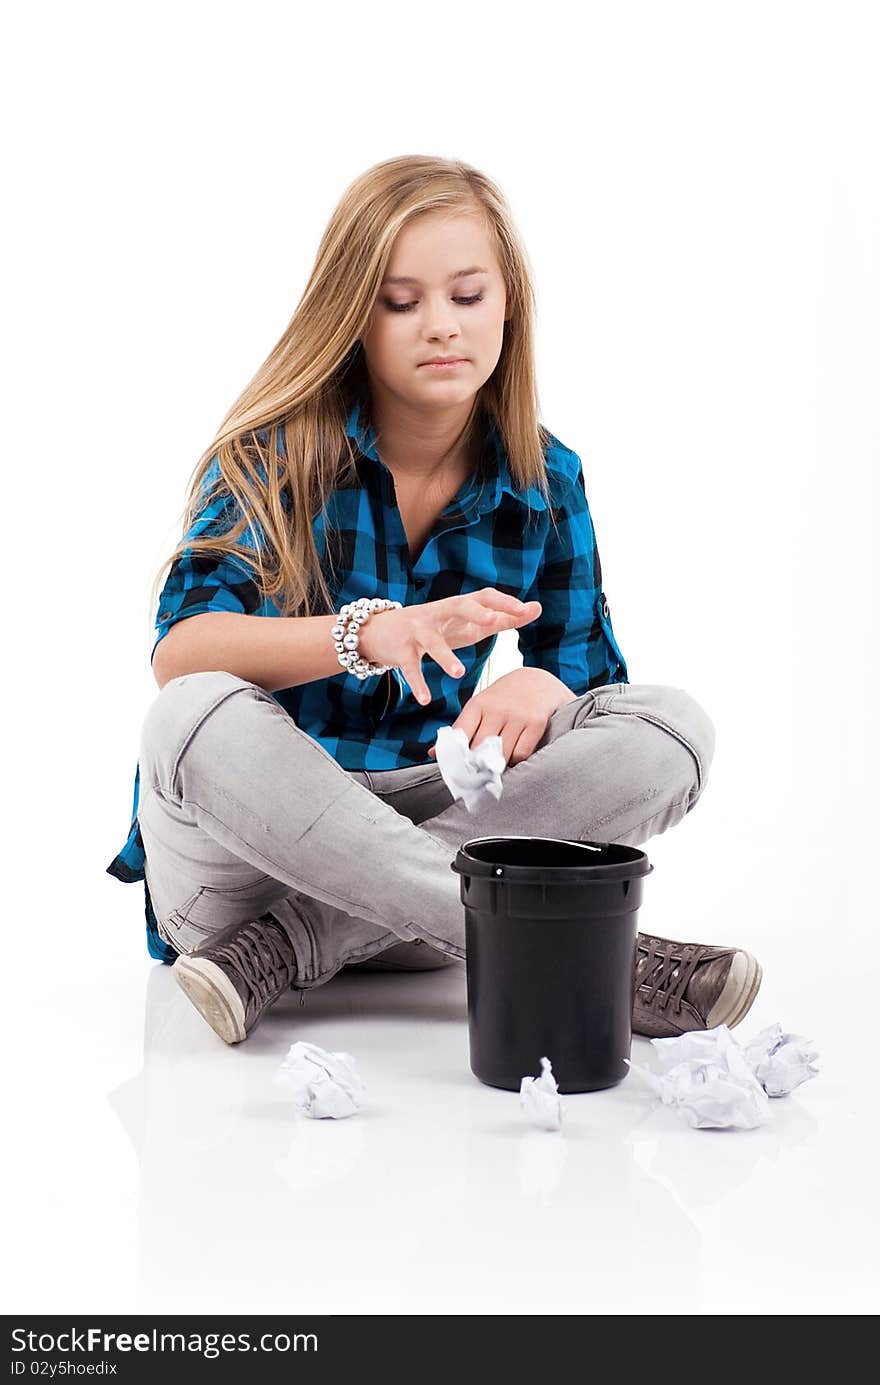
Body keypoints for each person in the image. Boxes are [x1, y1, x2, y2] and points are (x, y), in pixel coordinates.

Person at [106, 154, 762, 1047]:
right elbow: (179, 653)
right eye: (401, 302)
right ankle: (597, 954)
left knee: (673, 728)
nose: (441, 327)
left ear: (508, 305)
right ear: (354, 316)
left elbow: (594, 684)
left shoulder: (546, 475)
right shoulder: (272, 453)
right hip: (244, 868)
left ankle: (294, 947)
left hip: (427, 852)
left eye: (466, 294)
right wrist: (365, 634)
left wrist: (547, 688)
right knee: (188, 716)